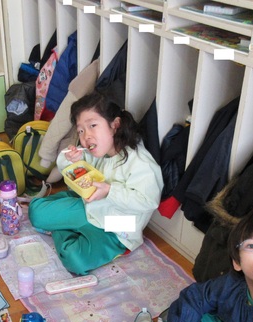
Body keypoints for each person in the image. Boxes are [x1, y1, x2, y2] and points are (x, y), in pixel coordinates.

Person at [28, 91, 163, 275]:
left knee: (75, 261)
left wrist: (110, 191)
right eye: (81, 131)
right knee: (36, 213)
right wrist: (71, 159)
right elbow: (69, 170)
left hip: (119, 226)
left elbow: (149, 202)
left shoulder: (140, 163)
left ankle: (61, 227)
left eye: (92, 125)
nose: (86, 136)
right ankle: (67, 221)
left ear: (115, 125)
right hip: (89, 207)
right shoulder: (97, 150)